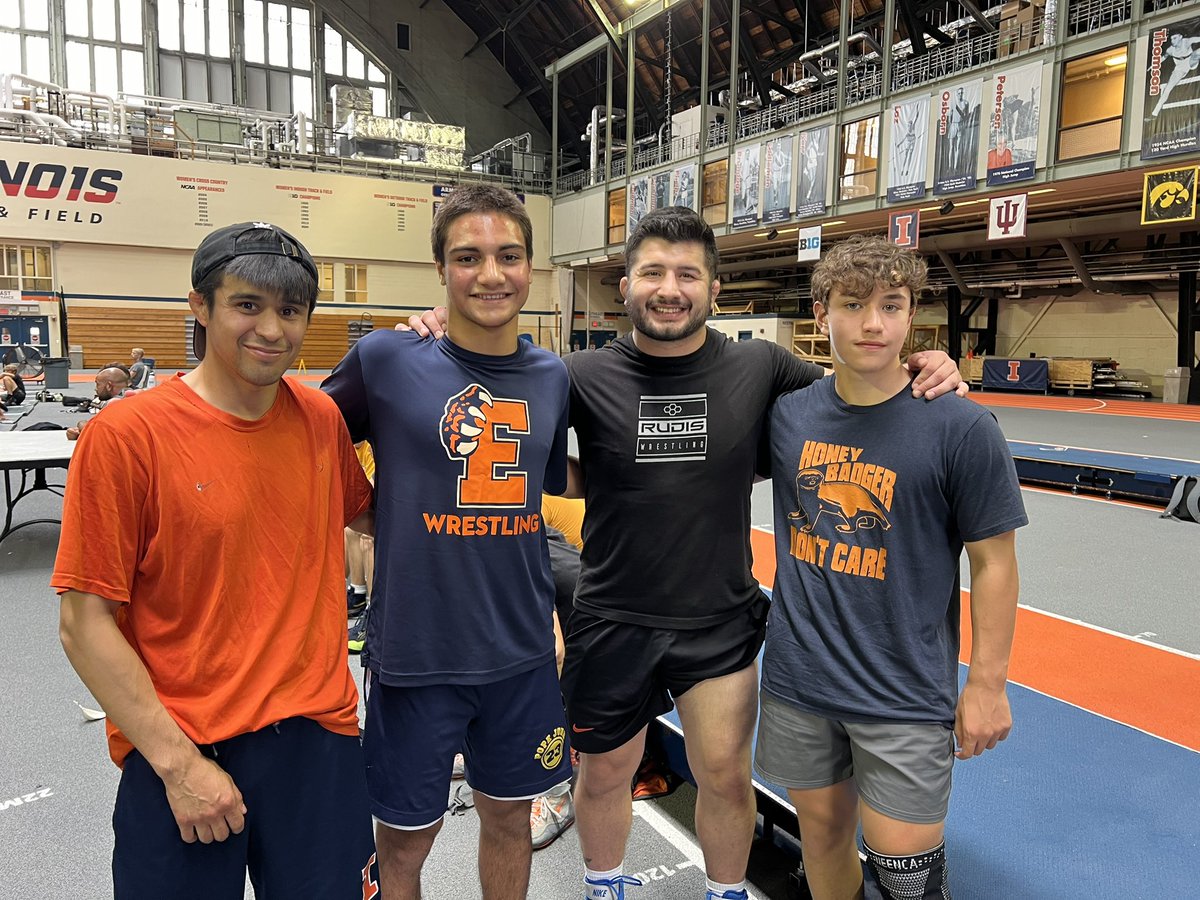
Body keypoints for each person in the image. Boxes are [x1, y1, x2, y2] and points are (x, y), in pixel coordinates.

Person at [406, 206, 966, 900]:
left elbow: (856, 391)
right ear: (626, 283)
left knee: (726, 775)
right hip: (611, 615)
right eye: (653, 272)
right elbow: (508, 413)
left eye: (687, 274)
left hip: (718, 621)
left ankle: (725, 892)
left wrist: (931, 363)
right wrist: (436, 333)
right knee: (606, 773)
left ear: (714, 290)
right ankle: (604, 886)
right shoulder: (574, 375)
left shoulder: (760, 366)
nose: (670, 288)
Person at [51, 222, 379, 899]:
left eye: (290, 311)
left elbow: (385, 522)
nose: (271, 329)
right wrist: (177, 767)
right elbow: (84, 624)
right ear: (200, 307)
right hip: (184, 747)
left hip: (316, 741)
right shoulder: (126, 437)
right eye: (247, 305)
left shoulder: (319, 420)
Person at [755, 234, 1026, 900]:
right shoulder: (787, 417)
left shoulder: (960, 426)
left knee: (908, 876)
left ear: (912, 315)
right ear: (822, 313)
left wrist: (988, 684)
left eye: (892, 305)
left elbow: (994, 563)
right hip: (800, 682)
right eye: (853, 304)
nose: (873, 323)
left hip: (903, 692)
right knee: (819, 843)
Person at [322, 183, 572, 900]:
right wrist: (364, 510)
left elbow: (529, 504)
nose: (491, 274)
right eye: (468, 257)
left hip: (520, 654)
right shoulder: (386, 360)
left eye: (509, 255)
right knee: (402, 845)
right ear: (440, 269)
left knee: (509, 823)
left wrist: (549, 612)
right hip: (416, 653)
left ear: (531, 266)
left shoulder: (551, 376)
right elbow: (297, 435)